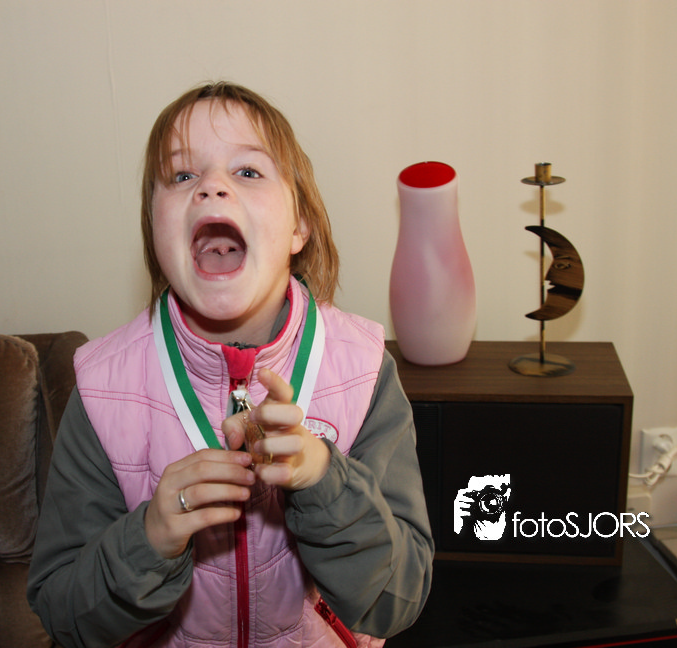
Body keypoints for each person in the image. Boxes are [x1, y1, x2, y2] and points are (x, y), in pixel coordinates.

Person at [27, 82, 434, 648]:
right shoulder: (101, 389)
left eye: (247, 171)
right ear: (155, 230)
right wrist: (151, 537)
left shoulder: (363, 371)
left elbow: (397, 599)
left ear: (299, 227)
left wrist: (324, 481)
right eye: (182, 175)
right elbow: (63, 614)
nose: (212, 186)